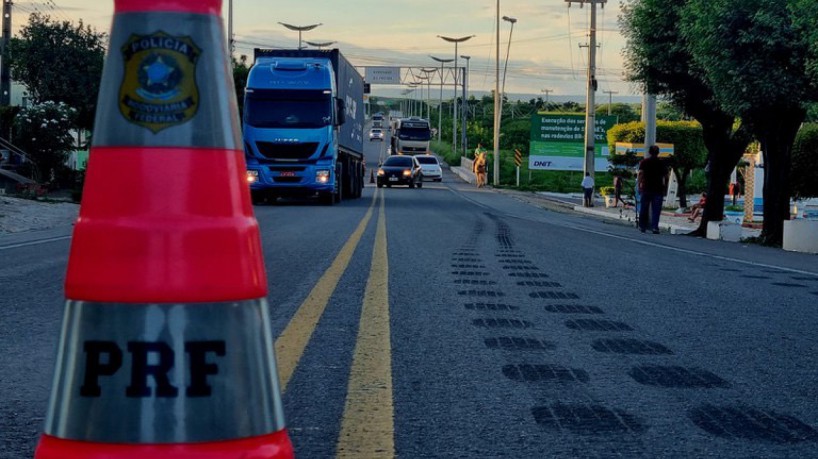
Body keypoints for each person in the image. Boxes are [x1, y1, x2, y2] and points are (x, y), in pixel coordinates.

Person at [637, 145, 668, 234]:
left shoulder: (644, 162)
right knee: (656, 210)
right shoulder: (661, 163)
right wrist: (665, 186)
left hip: (646, 188)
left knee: (644, 208)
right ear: (658, 152)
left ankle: (642, 226)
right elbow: (666, 176)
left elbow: (640, 174)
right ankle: (655, 227)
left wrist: (639, 185)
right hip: (658, 188)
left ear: (649, 152)